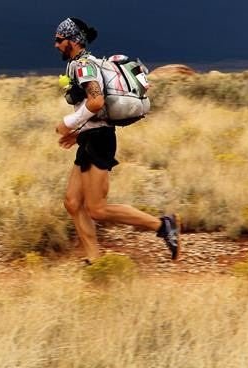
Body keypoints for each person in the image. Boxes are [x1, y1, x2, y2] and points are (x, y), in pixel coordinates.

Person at [53, 17, 181, 262]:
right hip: (90, 138)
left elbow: (97, 101)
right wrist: (78, 133)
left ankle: (164, 226)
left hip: (99, 140)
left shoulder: (84, 66)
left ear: (72, 40)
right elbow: (94, 112)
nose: (56, 45)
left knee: (97, 209)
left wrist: (67, 124)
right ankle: (94, 261)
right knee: (72, 202)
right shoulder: (79, 65)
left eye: (59, 40)